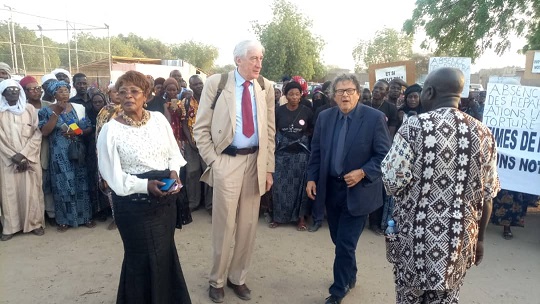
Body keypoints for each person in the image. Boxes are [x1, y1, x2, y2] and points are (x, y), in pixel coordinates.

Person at [381, 67, 500, 304]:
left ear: (430, 92)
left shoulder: (414, 127)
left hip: (414, 241)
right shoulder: (484, 133)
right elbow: (488, 196)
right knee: (447, 298)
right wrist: (481, 240)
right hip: (459, 240)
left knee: (409, 298)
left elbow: (392, 182)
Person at [97, 70, 191, 304]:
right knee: (141, 258)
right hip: (133, 205)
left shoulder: (159, 119)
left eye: (134, 91)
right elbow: (113, 177)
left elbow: (173, 152)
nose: (128, 96)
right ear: (117, 96)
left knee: (164, 253)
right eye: (122, 92)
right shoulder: (111, 130)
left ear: (146, 95)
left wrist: (173, 173)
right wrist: (145, 185)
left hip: (164, 201)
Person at [194, 39, 275, 303]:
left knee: (249, 225)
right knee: (224, 225)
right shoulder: (217, 84)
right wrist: (214, 162)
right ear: (238, 59)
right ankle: (216, 280)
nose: (258, 64)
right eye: (253, 58)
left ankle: (237, 278)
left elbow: (271, 132)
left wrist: (268, 169)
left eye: (260, 58)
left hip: (255, 162)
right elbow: (201, 129)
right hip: (226, 161)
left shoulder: (266, 87)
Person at [306, 73, 391, 304]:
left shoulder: (374, 118)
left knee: (345, 243)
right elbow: (317, 152)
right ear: (333, 96)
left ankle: (337, 291)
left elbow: (385, 154)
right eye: (340, 91)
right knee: (337, 238)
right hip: (331, 188)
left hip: (359, 191)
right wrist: (311, 178)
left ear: (358, 93)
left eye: (349, 91)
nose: (344, 95)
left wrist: (363, 171)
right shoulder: (325, 117)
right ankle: (349, 274)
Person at [38, 80, 94, 231]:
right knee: (63, 186)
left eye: (66, 90)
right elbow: (45, 132)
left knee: (81, 183)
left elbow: (87, 127)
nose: (64, 93)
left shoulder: (78, 108)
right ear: (54, 94)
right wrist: (56, 113)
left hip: (77, 150)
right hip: (59, 154)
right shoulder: (46, 111)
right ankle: (63, 220)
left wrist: (75, 131)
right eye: (60, 91)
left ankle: (85, 217)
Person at [0, 79, 45, 241]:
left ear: (20, 91)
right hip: (7, 160)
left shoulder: (29, 109)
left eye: (15, 89)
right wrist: (14, 157)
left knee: (32, 192)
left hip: (29, 158)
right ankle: (10, 227)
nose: (13, 91)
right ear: (3, 93)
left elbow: (37, 133)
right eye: (8, 89)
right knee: (9, 193)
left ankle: (35, 224)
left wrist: (24, 155)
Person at [269, 81, 313, 231]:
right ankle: (278, 217)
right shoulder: (278, 111)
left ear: (301, 95)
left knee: (300, 188)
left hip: (301, 156)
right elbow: (273, 131)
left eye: (297, 94)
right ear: (285, 95)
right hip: (282, 155)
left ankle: (300, 219)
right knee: (279, 186)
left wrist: (300, 140)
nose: (294, 97)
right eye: (291, 94)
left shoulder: (307, 111)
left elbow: (311, 131)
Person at [366, 79, 399, 236]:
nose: (377, 91)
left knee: (377, 187)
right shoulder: (364, 106)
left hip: (381, 151)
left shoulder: (391, 109)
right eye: (375, 88)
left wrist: (386, 152)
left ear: (386, 93)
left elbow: (390, 133)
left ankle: (374, 222)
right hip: (363, 148)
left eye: (381, 89)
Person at [181, 75, 212, 213]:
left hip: (209, 143)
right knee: (192, 172)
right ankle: (193, 202)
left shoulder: (211, 100)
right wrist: (191, 141)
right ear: (190, 86)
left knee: (209, 172)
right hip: (191, 144)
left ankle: (210, 204)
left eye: (200, 83)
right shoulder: (186, 102)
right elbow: (184, 123)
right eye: (195, 84)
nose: (199, 86)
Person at [86, 91, 109, 221]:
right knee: (94, 180)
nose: (98, 104)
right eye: (95, 102)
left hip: (105, 151)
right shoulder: (89, 115)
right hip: (91, 151)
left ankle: (108, 209)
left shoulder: (109, 115)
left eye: (100, 102)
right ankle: (98, 211)